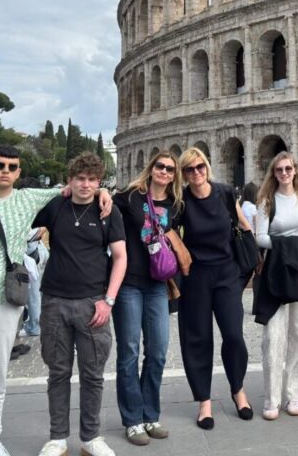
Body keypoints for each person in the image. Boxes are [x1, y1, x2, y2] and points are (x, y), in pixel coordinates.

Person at [0, 145, 96, 456]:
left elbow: (75, 188)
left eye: (12, 167)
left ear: (19, 172)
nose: (6, 171)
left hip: (7, 303)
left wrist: (102, 194)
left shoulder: (27, 199)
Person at [33, 153, 126, 456]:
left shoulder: (108, 211)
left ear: (99, 182)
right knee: (58, 372)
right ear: (70, 180)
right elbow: (18, 205)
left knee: (92, 374)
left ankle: (91, 437)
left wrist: (108, 300)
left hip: (93, 301)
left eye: (92, 180)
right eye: (80, 179)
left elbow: (120, 257)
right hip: (55, 300)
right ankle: (58, 438)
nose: (86, 185)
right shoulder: (56, 206)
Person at [175, 147, 252, 429]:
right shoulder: (181, 201)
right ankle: (204, 401)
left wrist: (246, 264)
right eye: (189, 169)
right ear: (184, 174)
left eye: (200, 167)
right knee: (197, 338)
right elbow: (166, 227)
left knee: (234, 335)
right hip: (195, 275)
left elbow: (244, 225)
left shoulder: (225, 193)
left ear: (207, 167)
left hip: (226, 273)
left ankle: (237, 389)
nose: (196, 172)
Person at [111, 152, 183, 446]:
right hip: (129, 283)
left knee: (158, 352)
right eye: (160, 166)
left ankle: (150, 414)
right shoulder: (130, 197)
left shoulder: (175, 205)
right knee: (128, 352)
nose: (164, 171)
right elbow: (103, 206)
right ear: (151, 169)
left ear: (175, 175)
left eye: (170, 169)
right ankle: (132, 420)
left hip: (157, 285)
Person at [253, 152, 298, 421]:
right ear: (273, 173)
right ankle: (272, 398)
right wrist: (289, 245)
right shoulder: (267, 201)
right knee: (274, 337)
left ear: (295, 170)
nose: (284, 173)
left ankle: (294, 393)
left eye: (288, 168)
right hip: (277, 271)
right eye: (279, 170)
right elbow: (260, 237)